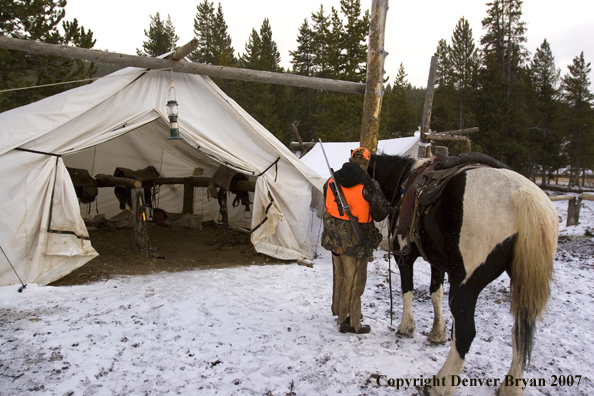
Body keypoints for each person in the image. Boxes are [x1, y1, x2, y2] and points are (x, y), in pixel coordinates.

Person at [321, 147, 390, 334]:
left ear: (351, 159)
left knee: (341, 275)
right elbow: (382, 211)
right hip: (356, 241)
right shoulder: (368, 184)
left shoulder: (331, 179)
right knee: (356, 280)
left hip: (334, 238)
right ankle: (350, 321)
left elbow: (327, 201)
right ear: (366, 162)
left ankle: (338, 309)